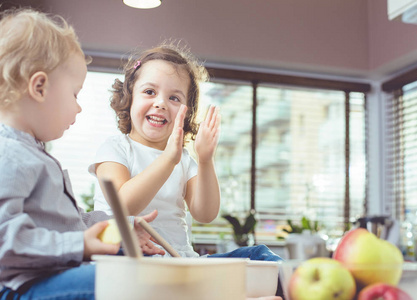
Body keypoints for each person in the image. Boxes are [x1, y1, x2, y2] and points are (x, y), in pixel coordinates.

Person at [89, 43, 284, 298]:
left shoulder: (184, 159)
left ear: (187, 111)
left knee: (260, 256)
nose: (160, 103)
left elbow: (205, 212)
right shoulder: (115, 148)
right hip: (132, 262)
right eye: (149, 91)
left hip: (182, 263)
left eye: (174, 98)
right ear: (129, 98)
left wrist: (205, 159)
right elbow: (123, 204)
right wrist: (169, 159)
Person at [0, 8, 164, 300]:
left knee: (150, 271)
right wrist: (79, 245)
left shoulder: (33, 154)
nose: (78, 107)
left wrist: (121, 230)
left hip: (49, 277)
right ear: (39, 87)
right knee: (138, 280)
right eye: (75, 94)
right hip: (24, 286)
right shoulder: (9, 155)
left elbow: (71, 223)